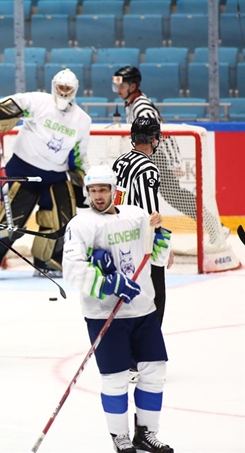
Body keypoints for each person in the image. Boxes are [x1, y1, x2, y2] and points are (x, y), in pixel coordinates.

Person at [62, 165, 174, 453]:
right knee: (114, 378)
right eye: (93, 191)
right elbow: (72, 271)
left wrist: (160, 233)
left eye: (103, 190)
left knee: (154, 371)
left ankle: (146, 432)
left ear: (115, 191)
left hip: (143, 309)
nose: (98, 196)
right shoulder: (81, 223)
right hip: (104, 314)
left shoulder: (136, 216)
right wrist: (110, 283)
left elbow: (158, 259)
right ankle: (119, 437)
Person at [0, 68, 92, 277]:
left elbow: (79, 154)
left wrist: (81, 179)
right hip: (22, 171)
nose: (63, 92)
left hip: (55, 176)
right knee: (10, 222)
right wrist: (2, 114)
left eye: (67, 88)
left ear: (74, 91)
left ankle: (47, 261)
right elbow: (15, 102)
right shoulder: (39, 101)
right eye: (60, 87)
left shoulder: (82, 120)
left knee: (61, 220)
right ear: (54, 87)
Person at [112, 65, 228, 243]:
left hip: (156, 156)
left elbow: (162, 132)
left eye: (122, 85)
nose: (118, 90)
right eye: (116, 86)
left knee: (174, 196)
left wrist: (174, 162)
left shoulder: (142, 107)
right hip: (150, 155)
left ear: (133, 86)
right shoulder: (133, 104)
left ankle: (215, 227)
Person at [112, 116, 173, 329]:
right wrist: (166, 247)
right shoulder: (148, 169)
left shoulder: (119, 161)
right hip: (141, 240)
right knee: (155, 294)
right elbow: (151, 214)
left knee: (125, 293)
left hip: (117, 236)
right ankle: (148, 348)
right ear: (154, 138)